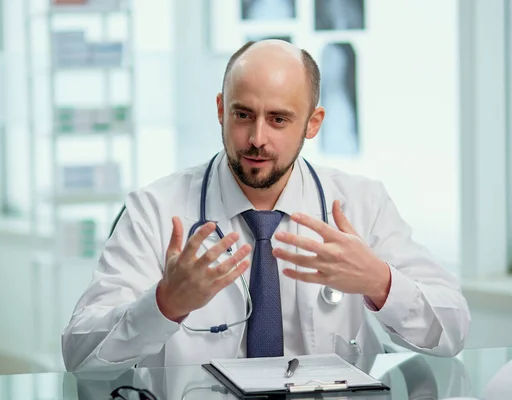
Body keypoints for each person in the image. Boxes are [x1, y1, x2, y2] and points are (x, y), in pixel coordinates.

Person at [61, 39, 470, 372]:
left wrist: (380, 282)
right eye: (243, 115)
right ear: (221, 110)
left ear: (313, 123)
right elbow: (78, 353)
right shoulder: (154, 209)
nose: (257, 138)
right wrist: (165, 303)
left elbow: (453, 330)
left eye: (278, 119)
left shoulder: (363, 203)